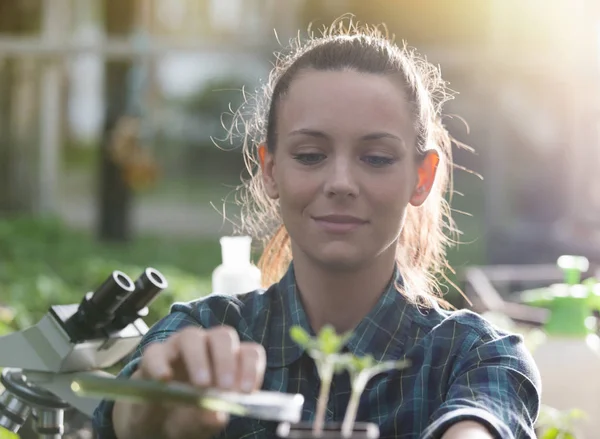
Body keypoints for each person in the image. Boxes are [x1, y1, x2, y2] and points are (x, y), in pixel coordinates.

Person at [92, 18, 541, 439]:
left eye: (376, 158)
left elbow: (479, 424)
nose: (341, 183)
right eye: (310, 155)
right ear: (270, 171)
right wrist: (155, 401)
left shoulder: (475, 355)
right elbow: (123, 416)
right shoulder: (203, 328)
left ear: (421, 178)